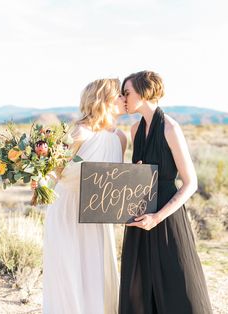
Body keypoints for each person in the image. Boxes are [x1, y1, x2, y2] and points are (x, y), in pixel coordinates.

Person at [119, 71, 213, 314]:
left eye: (126, 92)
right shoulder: (134, 130)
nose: (123, 97)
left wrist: (158, 217)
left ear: (143, 92)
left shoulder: (171, 128)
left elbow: (190, 182)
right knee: (138, 286)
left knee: (178, 283)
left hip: (167, 216)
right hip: (140, 216)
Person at [32, 79, 127, 314]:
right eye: (120, 95)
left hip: (97, 215)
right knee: (69, 270)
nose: (125, 99)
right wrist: (40, 182)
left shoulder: (121, 138)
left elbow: (115, 180)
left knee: (95, 271)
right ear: (104, 100)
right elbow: (55, 170)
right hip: (68, 210)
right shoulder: (79, 132)